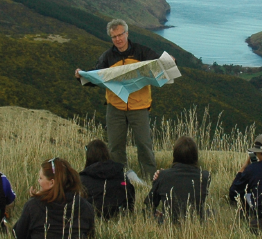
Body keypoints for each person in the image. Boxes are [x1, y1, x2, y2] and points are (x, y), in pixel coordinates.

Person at [75, 18, 160, 176]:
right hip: (115, 108)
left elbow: (158, 64)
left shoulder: (142, 51)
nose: (118, 39)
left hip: (139, 107)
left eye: (120, 35)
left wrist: (170, 62)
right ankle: (119, 178)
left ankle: (151, 178)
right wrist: (81, 77)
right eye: (114, 37)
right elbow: (96, 77)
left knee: (144, 145)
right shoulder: (107, 57)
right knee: (115, 147)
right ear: (111, 38)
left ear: (127, 33)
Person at [12, 158, 97, 239]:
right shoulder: (85, 206)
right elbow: (90, 238)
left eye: (40, 178)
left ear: (52, 183)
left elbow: (19, 235)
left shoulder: (33, 206)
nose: (38, 181)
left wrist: (35, 200)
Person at [149, 136, 212, 223]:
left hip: (169, 222)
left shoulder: (163, 176)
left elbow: (150, 204)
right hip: (195, 221)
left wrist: (157, 180)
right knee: (212, 212)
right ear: (196, 155)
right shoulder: (205, 176)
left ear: (175, 154)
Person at [79, 139, 135, 219]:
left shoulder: (82, 179)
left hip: (93, 215)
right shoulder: (121, 175)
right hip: (119, 214)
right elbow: (130, 198)